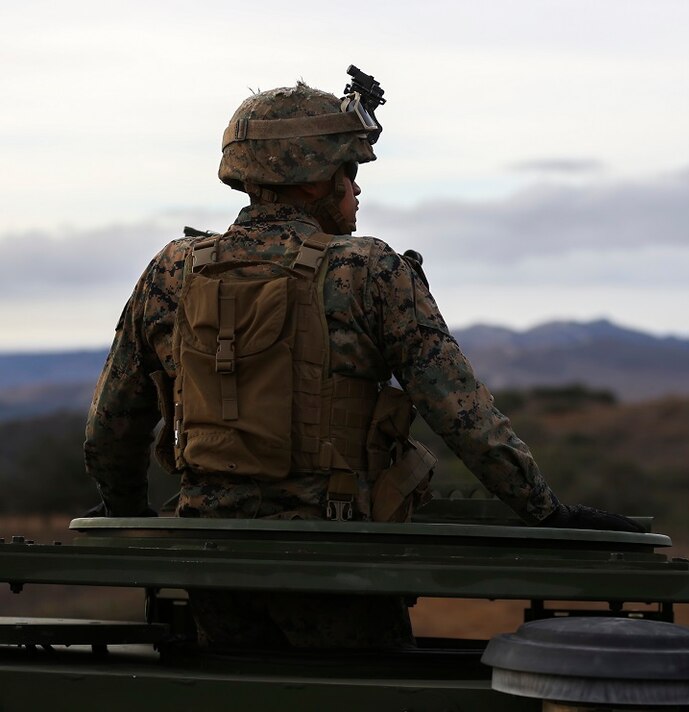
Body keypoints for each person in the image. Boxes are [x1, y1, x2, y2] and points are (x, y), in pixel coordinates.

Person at [84, 73, 640, 649]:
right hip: (336, 557)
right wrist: (546, 512)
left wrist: (128, 515)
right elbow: (463, 415)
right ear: (312, 182)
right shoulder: (369, 270)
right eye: (347, 173)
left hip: (209, 557)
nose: (355, 190)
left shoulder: (172, 269)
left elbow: (111, 425)